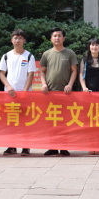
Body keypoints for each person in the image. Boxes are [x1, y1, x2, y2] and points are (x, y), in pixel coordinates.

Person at [0, 29, 37, 156]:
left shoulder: (29, 56)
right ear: (11, 40)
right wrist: (8, 86)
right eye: (15, 38)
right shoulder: (6, 56)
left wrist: (25, 91)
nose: (17, 40)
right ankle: (12, 146)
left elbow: (31, 74)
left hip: (25, 94)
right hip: (10, 94)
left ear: (24, 40)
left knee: (25, 121)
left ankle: (26, 146)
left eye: (20, 38)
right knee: (11, 120)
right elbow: (2, 74)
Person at [40, 27, 78, 156]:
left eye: (59, 36)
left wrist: (70, 85)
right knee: (51, 120)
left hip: (65, 94)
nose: (57, 38)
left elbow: (74, 71)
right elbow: (42, 72)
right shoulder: (47, 54)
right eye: (55, 36)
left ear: (64, 38)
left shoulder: (70, 53)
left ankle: (63, 147)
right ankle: (53, 147)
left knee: (64, 121)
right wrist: (44, 84)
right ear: (51, 39)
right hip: (50, 93)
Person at [79, 37, 99, 155]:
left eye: (97, 45)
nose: (94, 47)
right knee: (89, 120)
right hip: (88, 94)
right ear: (89, 47)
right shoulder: (84, 60)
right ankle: (90, 145)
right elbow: (81, 74)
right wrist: (84, 87)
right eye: (92, 45)